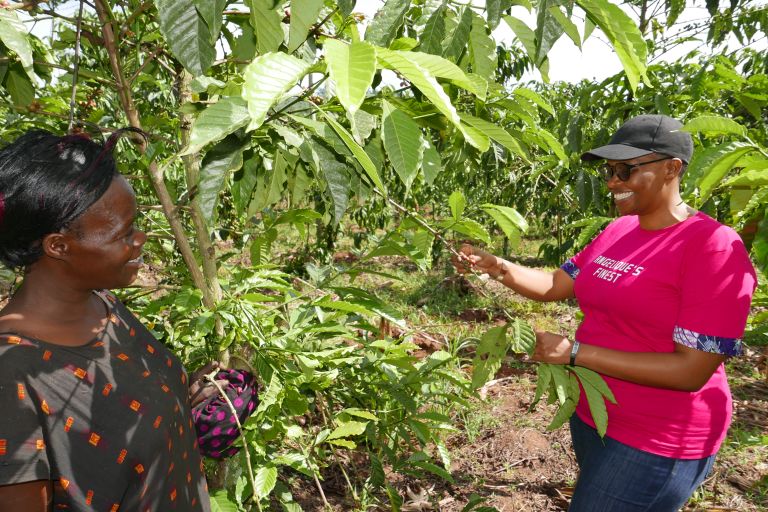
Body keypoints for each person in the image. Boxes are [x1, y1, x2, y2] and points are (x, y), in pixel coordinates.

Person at [453, 114, 756, 511]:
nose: (613, 181)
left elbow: (691, 371)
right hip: (595, 414)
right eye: (610, 170)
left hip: (659, 437)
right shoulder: (620, 231)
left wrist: (575, 353)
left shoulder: (712, 247)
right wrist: (496, 267)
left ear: (672, 168)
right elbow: (555, 284)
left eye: (626, 169)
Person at [0, 130, 211, 511]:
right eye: (123, 233)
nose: (140, 239)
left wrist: (190, 398)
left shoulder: (104, 305)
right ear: (58, 246)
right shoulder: (10, 375)